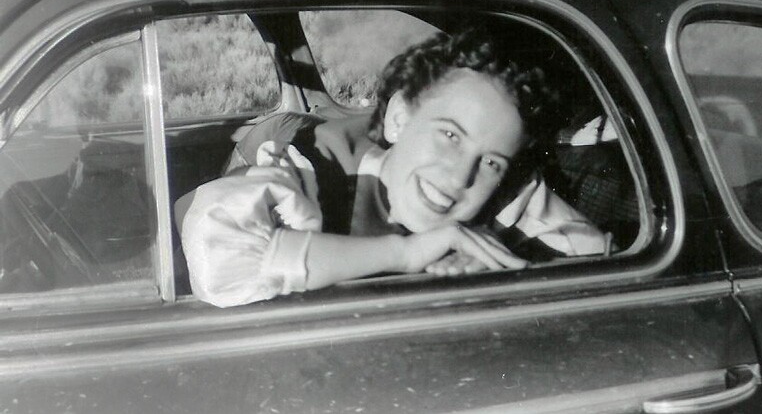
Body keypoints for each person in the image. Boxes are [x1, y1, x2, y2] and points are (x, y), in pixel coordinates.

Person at [174, 29, 609, 307]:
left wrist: (495, 259)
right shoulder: (317, 167)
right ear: (399, 118)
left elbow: (601, 266)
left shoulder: (507, 192)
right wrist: (405, 254)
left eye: (491, 160)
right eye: (450, 135)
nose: (461, 177)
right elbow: (217, 255)